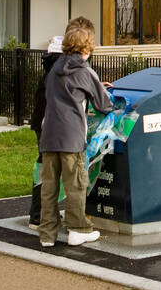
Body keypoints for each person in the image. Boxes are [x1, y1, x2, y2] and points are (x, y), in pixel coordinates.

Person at [38, 18, 114, 249]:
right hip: (71, 136)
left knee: (49, 187)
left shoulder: (54, 70)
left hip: (49, 134)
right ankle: (78, 229)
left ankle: (47, 234)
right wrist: (100, 89)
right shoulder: (84, 71)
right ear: (86, 48)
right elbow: (104, 105)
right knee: (76, 185)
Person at [27, 33, 64, 230]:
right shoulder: (56, 73)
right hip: (48, 127)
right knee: (47, 170)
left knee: (44, 169)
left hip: (41, 125)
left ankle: (38, 214)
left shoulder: (49, 72)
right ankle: (38, 215)